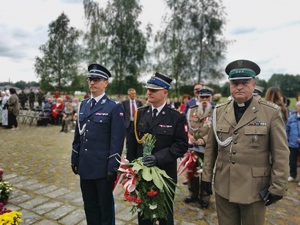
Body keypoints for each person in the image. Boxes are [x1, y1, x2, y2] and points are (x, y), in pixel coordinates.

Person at [202, 59, 289, 225]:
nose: (239, 87)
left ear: (254, 84)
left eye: (244, 82)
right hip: (224, 186)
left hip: (254, 189)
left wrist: (279, 185)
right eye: (235, 83)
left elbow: (281, 153)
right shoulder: (219, 111)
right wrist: (206, 176)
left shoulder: (270, 113)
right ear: (230, 85)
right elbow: (211, 148)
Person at [71, 63, 126, 225]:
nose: (92, 83)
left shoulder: (114, 107)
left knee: (105, 206)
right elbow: (78, 135)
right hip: (85, 164)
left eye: (96, 79)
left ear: (106, 83)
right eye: (90, 79)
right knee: (90, 205)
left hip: (103, 168)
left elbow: (117, 140)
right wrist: (75, 158)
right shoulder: (83, 105)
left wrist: (113, 167)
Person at [132, 72, 188, 225]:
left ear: (165, 92)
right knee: (143, 212)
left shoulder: (176, 117)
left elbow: (181, 145)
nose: (149, 92)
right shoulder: (140, 114)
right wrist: (130, 168)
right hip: (142, 172)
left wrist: (158, 158)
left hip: (165, 173)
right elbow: (132, 143)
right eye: (148, 89)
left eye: (154, 89)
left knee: (164, 214)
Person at [184, 87, 214, 208]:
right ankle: (193, 193)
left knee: (206, 172)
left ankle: (205, 197)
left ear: (211, 98)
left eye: (207, 97)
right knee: (192, 171)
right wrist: (189, 136)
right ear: (198, 98)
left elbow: (216, 130)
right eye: (202, 97)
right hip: (192, 148)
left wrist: (204, 139)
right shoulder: (192, 110)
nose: (205, 100)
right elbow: (185, 125)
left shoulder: (216, 111)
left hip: (208, 148)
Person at [121, 88, 143, 162]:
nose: (134, 95)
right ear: (129, 94)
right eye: (132, 94)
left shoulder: (138, 102)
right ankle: (128, 152)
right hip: (128, 123)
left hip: (137, 123)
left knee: (136, 138)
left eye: (134, 93)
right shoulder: (124, 103)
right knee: (128, 139)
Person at [286, 100, 300, 187]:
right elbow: (287, 130)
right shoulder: (292, 118)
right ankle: (292, 175)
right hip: (293, 143)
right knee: (292, 161)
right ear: (297, 108)